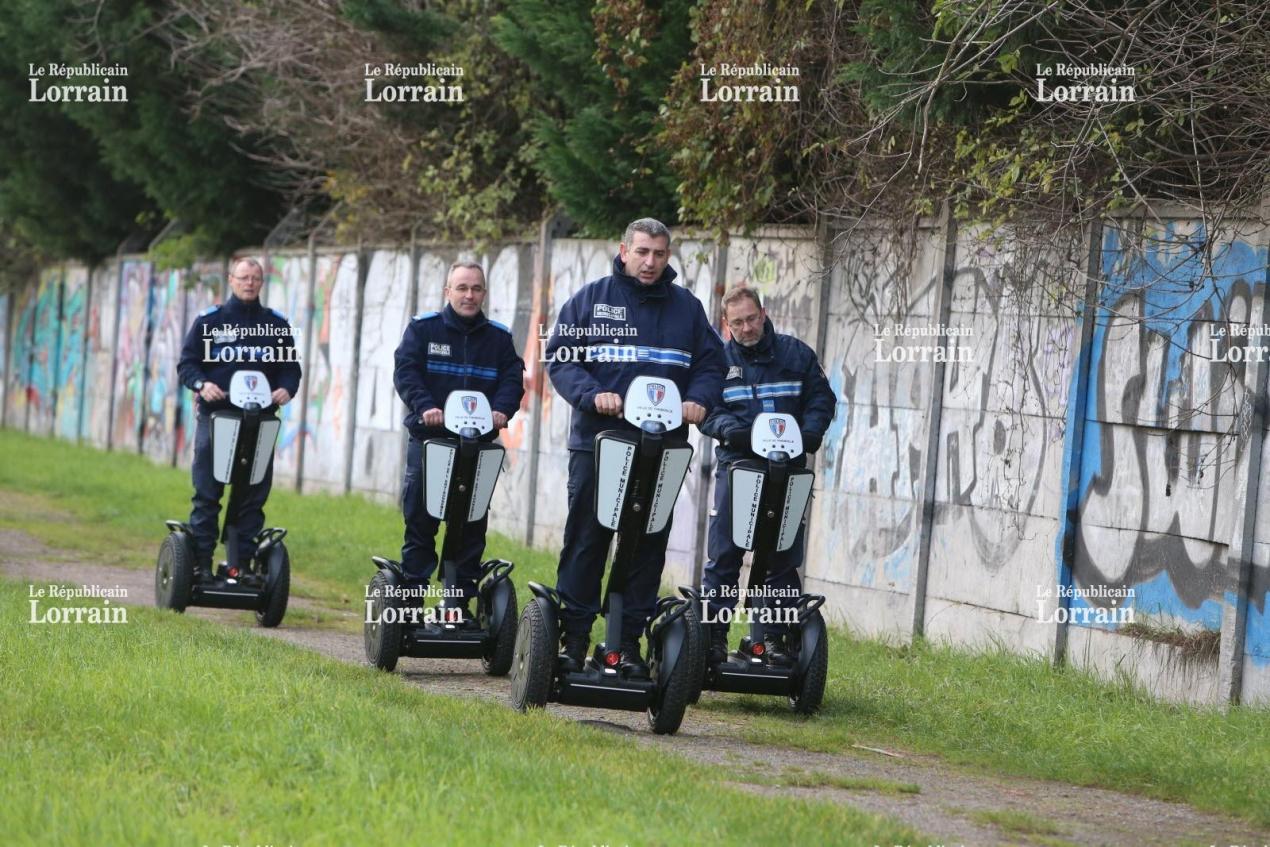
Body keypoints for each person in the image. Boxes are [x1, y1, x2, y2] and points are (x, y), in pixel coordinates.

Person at [545, 217, 724, 678]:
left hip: (662, 448)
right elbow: (561, 359)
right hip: (599, 443)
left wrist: (698, 401)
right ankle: (573, 640)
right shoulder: (591, 300)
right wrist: (591, 395)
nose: (650, 262)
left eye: (659, 254)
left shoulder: (687, 308)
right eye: (642, 252)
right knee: (588, 540)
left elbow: (711, 363)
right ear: (624, 250)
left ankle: (624, 646)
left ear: (668, 256)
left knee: (646, 545)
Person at [699, 285, 836, 665]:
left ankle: (773, 639)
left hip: (788, 469)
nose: (746, 328)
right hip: (739, 467)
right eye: (738, 322)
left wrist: (810, 433)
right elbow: (706, 408)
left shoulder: (796, 354)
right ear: (727, 324)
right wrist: (730, 430)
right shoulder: (717, 362)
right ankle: (713, 638)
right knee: (725, 556)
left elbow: (822, 399)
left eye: (751, 318)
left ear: (763, 312)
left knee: (781, 557)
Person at [393, 261, 526, 619]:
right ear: (447, 291)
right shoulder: (423, 330)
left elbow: (512, 381)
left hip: (478, 446)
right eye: (462, 288)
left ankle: (456, 602)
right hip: (431, 441)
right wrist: (426, 407)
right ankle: (411, 600)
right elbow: (406, 373)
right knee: (421, 520)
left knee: (470, 524)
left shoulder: (498, 338)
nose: (469, 295)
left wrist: (501, 411)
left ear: (483, 293)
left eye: (476, 288)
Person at [177, 257, 302, 579]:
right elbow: (187, 364)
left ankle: (240, 565)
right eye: (243, 277)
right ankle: (201, 563)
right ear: (231, 280)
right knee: (208, 493)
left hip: (259, 421)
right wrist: (202, 385)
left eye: (255, 278)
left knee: (252, 495)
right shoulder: (210, 322)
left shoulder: (276, 325)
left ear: (262, 283)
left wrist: (286, 390)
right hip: (217, 417)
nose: (249, 283)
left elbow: (291, 369)